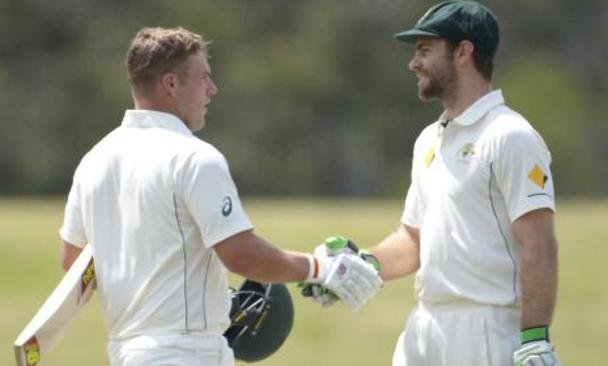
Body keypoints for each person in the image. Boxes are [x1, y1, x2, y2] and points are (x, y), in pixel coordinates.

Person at [58, 27, 381, 366]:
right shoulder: (194, 157)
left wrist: (181, 290)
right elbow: (242, 256)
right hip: (186, 355)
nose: (212, 90)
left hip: (126, 353)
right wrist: (319, 267)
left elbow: (73, 262)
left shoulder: (93, 160)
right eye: (203, 79)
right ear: (171, 84)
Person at [322, 2, 562, 365]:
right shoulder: (429, 141)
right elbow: (414, 240)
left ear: (463, 51)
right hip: (426, 326)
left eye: (424, 50)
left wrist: (534, 338)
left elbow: (540, 246)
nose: (413, 63)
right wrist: (359, 264)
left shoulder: (509, 135)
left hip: (488, 326)